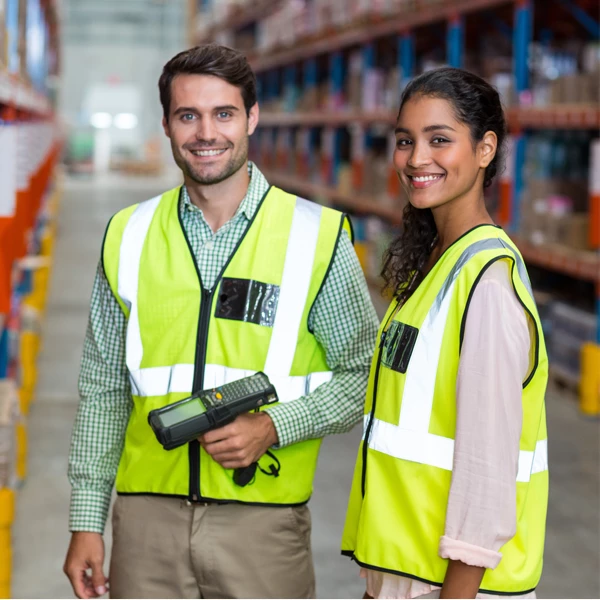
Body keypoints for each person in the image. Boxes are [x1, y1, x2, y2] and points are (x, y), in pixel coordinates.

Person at [63, 43, 379, 600]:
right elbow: (103, 386)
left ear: (252, 118)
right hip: (145, 525)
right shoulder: (128, 235)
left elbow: (363, 375)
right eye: (189, 115)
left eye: (224, 113)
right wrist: (87, 518)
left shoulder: (316, 236)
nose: (206, 132)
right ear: (166, 125)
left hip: (261, 523)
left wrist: (275, 426)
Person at [341, 67, 549, 599]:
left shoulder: (487, 282)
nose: (416, 159)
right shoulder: (437, 262)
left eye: (439, 140)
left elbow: (487, 471)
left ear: (484, 150)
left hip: (455, 585)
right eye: (405, 140)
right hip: (406, 571)